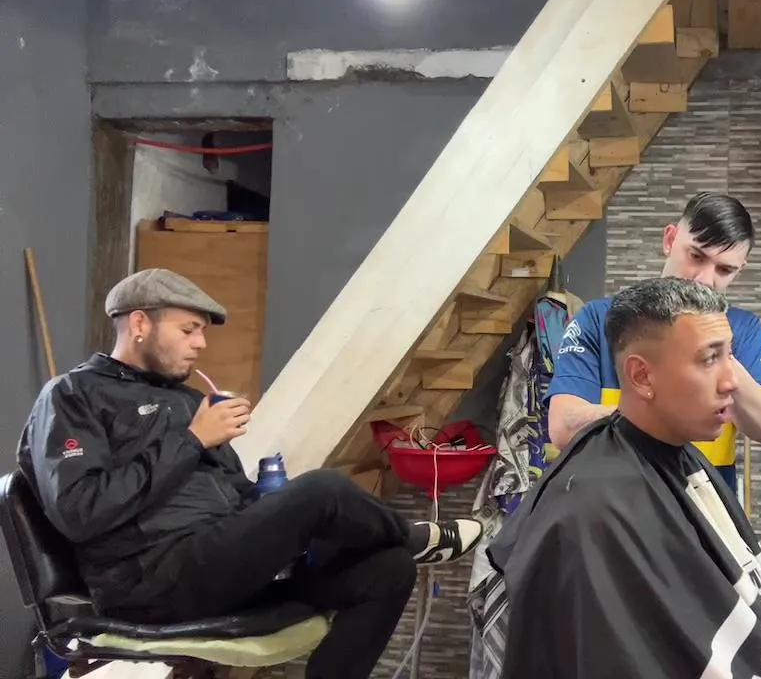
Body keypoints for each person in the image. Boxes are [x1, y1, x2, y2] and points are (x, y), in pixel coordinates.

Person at [15, 268, 483, 679]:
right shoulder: (72, 395)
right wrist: (193, 439)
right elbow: (81, 511)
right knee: (323, 490)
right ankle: (414, 536)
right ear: (140, 324)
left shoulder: (187, 401)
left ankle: (400, 546)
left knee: (388, 569)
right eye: (188, 329)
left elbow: (232, 495)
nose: (200, 344)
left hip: (222, 568)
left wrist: (272, 508)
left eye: (202, 332)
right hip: (150, 581)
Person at [489, 276, 761, 678]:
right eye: (709, 359)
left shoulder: (683, 459)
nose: (732, 382)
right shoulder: (592, 507)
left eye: (730, 357)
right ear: (642, 377)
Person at [546, 192, 761, 494]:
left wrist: (716, 351)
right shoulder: (598, 320)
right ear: (670, 240)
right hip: (610, 503)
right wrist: (666, 414)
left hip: (701, 510)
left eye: (724, 270)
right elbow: (563, 426)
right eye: (696, 256)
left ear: (739, 269)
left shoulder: (745, 330)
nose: (705, 280)